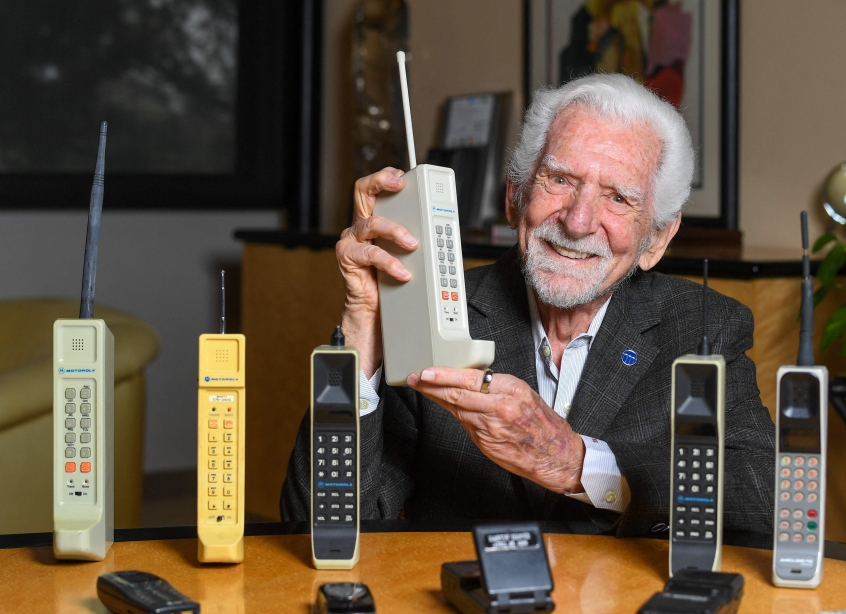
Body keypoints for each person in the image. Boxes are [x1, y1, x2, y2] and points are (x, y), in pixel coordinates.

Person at [281, 73, 775, 540]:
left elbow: (763, 497)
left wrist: (578, 464)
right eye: (559, 179)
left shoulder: (701, 328)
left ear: (657, 239)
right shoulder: (438, 318)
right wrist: (363, 328)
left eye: (618, 198)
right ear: (515, 196)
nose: (579, 221)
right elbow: (320, 527)